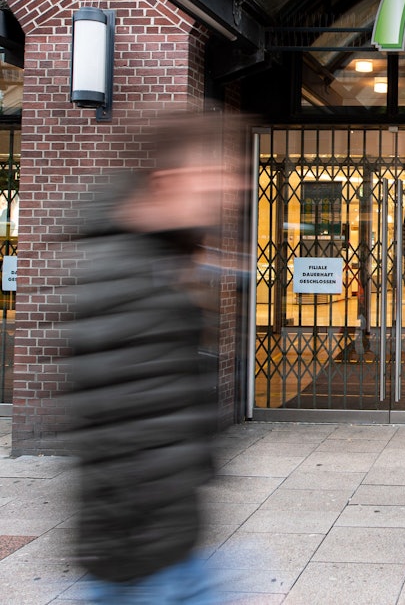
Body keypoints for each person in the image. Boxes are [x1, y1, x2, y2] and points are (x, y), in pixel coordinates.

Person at [63, 111, 245, 604]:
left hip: (169, 544)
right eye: (214, 173)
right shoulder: (127, 277)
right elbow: (122, 432)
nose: (231, 187)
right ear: (167, 181)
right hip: (143, 559)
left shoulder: (159, 263)